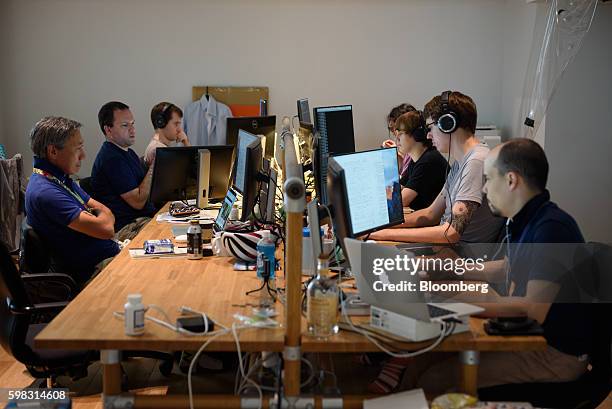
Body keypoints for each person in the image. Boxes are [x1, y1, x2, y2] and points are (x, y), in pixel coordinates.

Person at [409, 138, 593, 395]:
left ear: (510, 180)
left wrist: (442, 301)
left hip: (555, 354)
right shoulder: (527, 218)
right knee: (422, 358)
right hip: (532, 338)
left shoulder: (552, 228)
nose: (483, 189)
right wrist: (443, 269)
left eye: (488, 179)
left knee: (435, 379)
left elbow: (530, 308)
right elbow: (505, 268)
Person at [370, 91, 503, 244]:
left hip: (462, 258)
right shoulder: (461, 162)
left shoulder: (476, 162)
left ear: (448, 124)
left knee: (375, 261)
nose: (428, 135)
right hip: (447, 250)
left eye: (431, 127)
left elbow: (451, 233)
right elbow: (430, 214)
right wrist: (379, 226)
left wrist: (382, 234)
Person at [25, 117, 119, 284]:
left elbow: (105, 211)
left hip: (106, 254)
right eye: (78, 148)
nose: (83, 156)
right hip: (93, 272)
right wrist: (102, 218)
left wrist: (102, 217)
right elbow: (106, 228)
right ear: (53, 151)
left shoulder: (59, 178)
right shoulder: (46, 192)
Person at [91, 101, 156, 240]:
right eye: (125, 125)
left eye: (133, 124)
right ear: (108, 130)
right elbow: (138, 202)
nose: (132, 130)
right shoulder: (111, 158)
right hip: (127, 227)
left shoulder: (128, 153)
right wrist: (154, 167)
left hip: (142, 220)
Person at [393, 110, 448, 210]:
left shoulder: (429, 161)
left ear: (416, 134)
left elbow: (401, 201)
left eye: (400, 134)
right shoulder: (416, 160)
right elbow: (398, 188)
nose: (396, 139)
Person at [143, 102, 190, 167]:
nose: (180, 129)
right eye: (176, 124)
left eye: (179, 124)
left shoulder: (161, 148)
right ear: (161, 123)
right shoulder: (157, 150)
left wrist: (186, 142)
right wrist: (186, 143)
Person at [382, 103, 416, 178]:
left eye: (398, 131)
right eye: (392, 129)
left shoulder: (420, 159)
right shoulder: (409, 155)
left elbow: (405, 184)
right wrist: (397, 156)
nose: (396, 136)